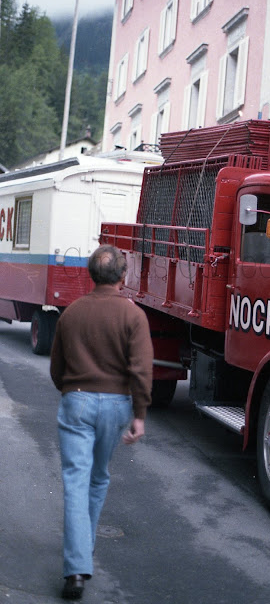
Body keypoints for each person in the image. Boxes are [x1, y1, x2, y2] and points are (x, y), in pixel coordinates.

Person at [50, 245, 153, 600]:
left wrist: (72, 392)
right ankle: (83, 553)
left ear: (90, 274)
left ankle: (76, 568)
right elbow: (141, 370)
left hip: (76, 400)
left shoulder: (72, 313)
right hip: (116, 406)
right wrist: (139, 415)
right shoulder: (133, 315)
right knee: (97, 478)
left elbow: (56, 368)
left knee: (75, 481)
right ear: (124, 277)